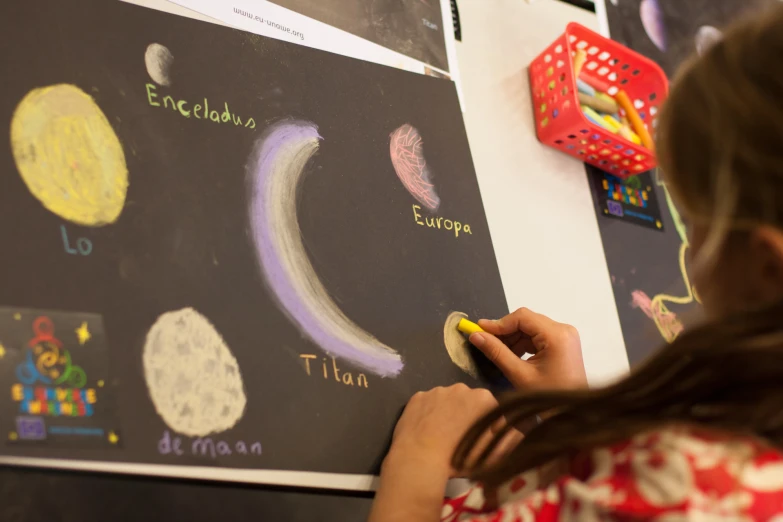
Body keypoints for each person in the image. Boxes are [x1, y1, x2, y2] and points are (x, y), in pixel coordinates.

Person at [369, 4, 783, 521]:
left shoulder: (699, 491)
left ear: (766, 265)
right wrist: (571, 416)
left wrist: (417, 466)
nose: (688, 242)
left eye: (693, 215)